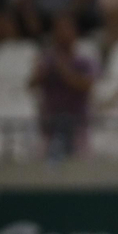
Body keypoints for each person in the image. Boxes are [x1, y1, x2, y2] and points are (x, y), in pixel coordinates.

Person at [30, 15, 97, 161]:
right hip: (50, 126)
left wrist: (62, 68)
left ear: (75, 33)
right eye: (59, 30)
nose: (63, 34)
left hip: (77, 125)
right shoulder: (47, 59)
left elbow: (86, 85)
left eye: (67, 29)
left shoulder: (85, 61)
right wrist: (41, 71)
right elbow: (31, 84)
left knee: (80, 169)